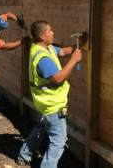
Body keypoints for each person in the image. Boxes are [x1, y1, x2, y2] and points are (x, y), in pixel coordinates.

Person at [17, 20, 87, 167]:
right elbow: (58, 79)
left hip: (43, 103)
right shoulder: (44, 60)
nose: (53, 33)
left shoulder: (42, 48)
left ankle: (23, 156)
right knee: (58, 141)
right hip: (52, 105)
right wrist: (73, 61)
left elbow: (63, 51)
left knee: (41, 128)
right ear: (42, 35)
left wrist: (79, 44)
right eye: (50, 31)